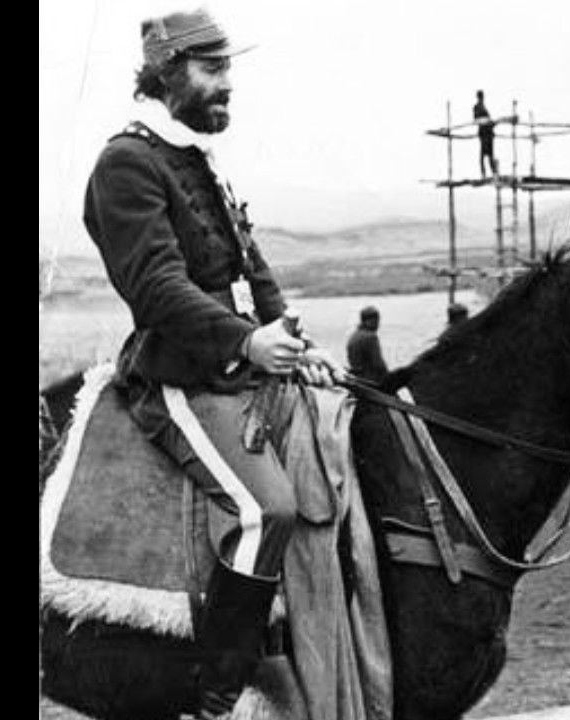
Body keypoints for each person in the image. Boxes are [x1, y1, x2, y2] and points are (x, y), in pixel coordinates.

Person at [81, 9, 346, 718]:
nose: (228, 85)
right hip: (175, 375)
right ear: (168, 74)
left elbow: (249, 266)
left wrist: (288, 335)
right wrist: (244, 343)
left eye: (229, 68)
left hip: (240, 367)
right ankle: (216, 697)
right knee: (268, 509)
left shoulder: (195, 157)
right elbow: (157, 287)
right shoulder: (127, 163)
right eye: (212, 69)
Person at [346, 305, 389, 384]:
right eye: (376, 321)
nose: (378, 325)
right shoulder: (370, 337)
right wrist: (390, 380)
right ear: (368, 321)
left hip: (358, 379)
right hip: (371, 380)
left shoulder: (354, 335)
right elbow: (379, 364)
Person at [473, 90, 499, 179]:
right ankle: (484, 174)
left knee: (490, 155)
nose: (482, 98)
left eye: (482, 97)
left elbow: (487, 120)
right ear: (478, 97)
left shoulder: (483, 107)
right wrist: (488, 121)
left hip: (489, 133)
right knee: (483, 155)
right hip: (484, 133)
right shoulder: (477, 107)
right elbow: (477, 119)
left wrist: (492, 123)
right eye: (480, 97)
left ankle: (494, 173)